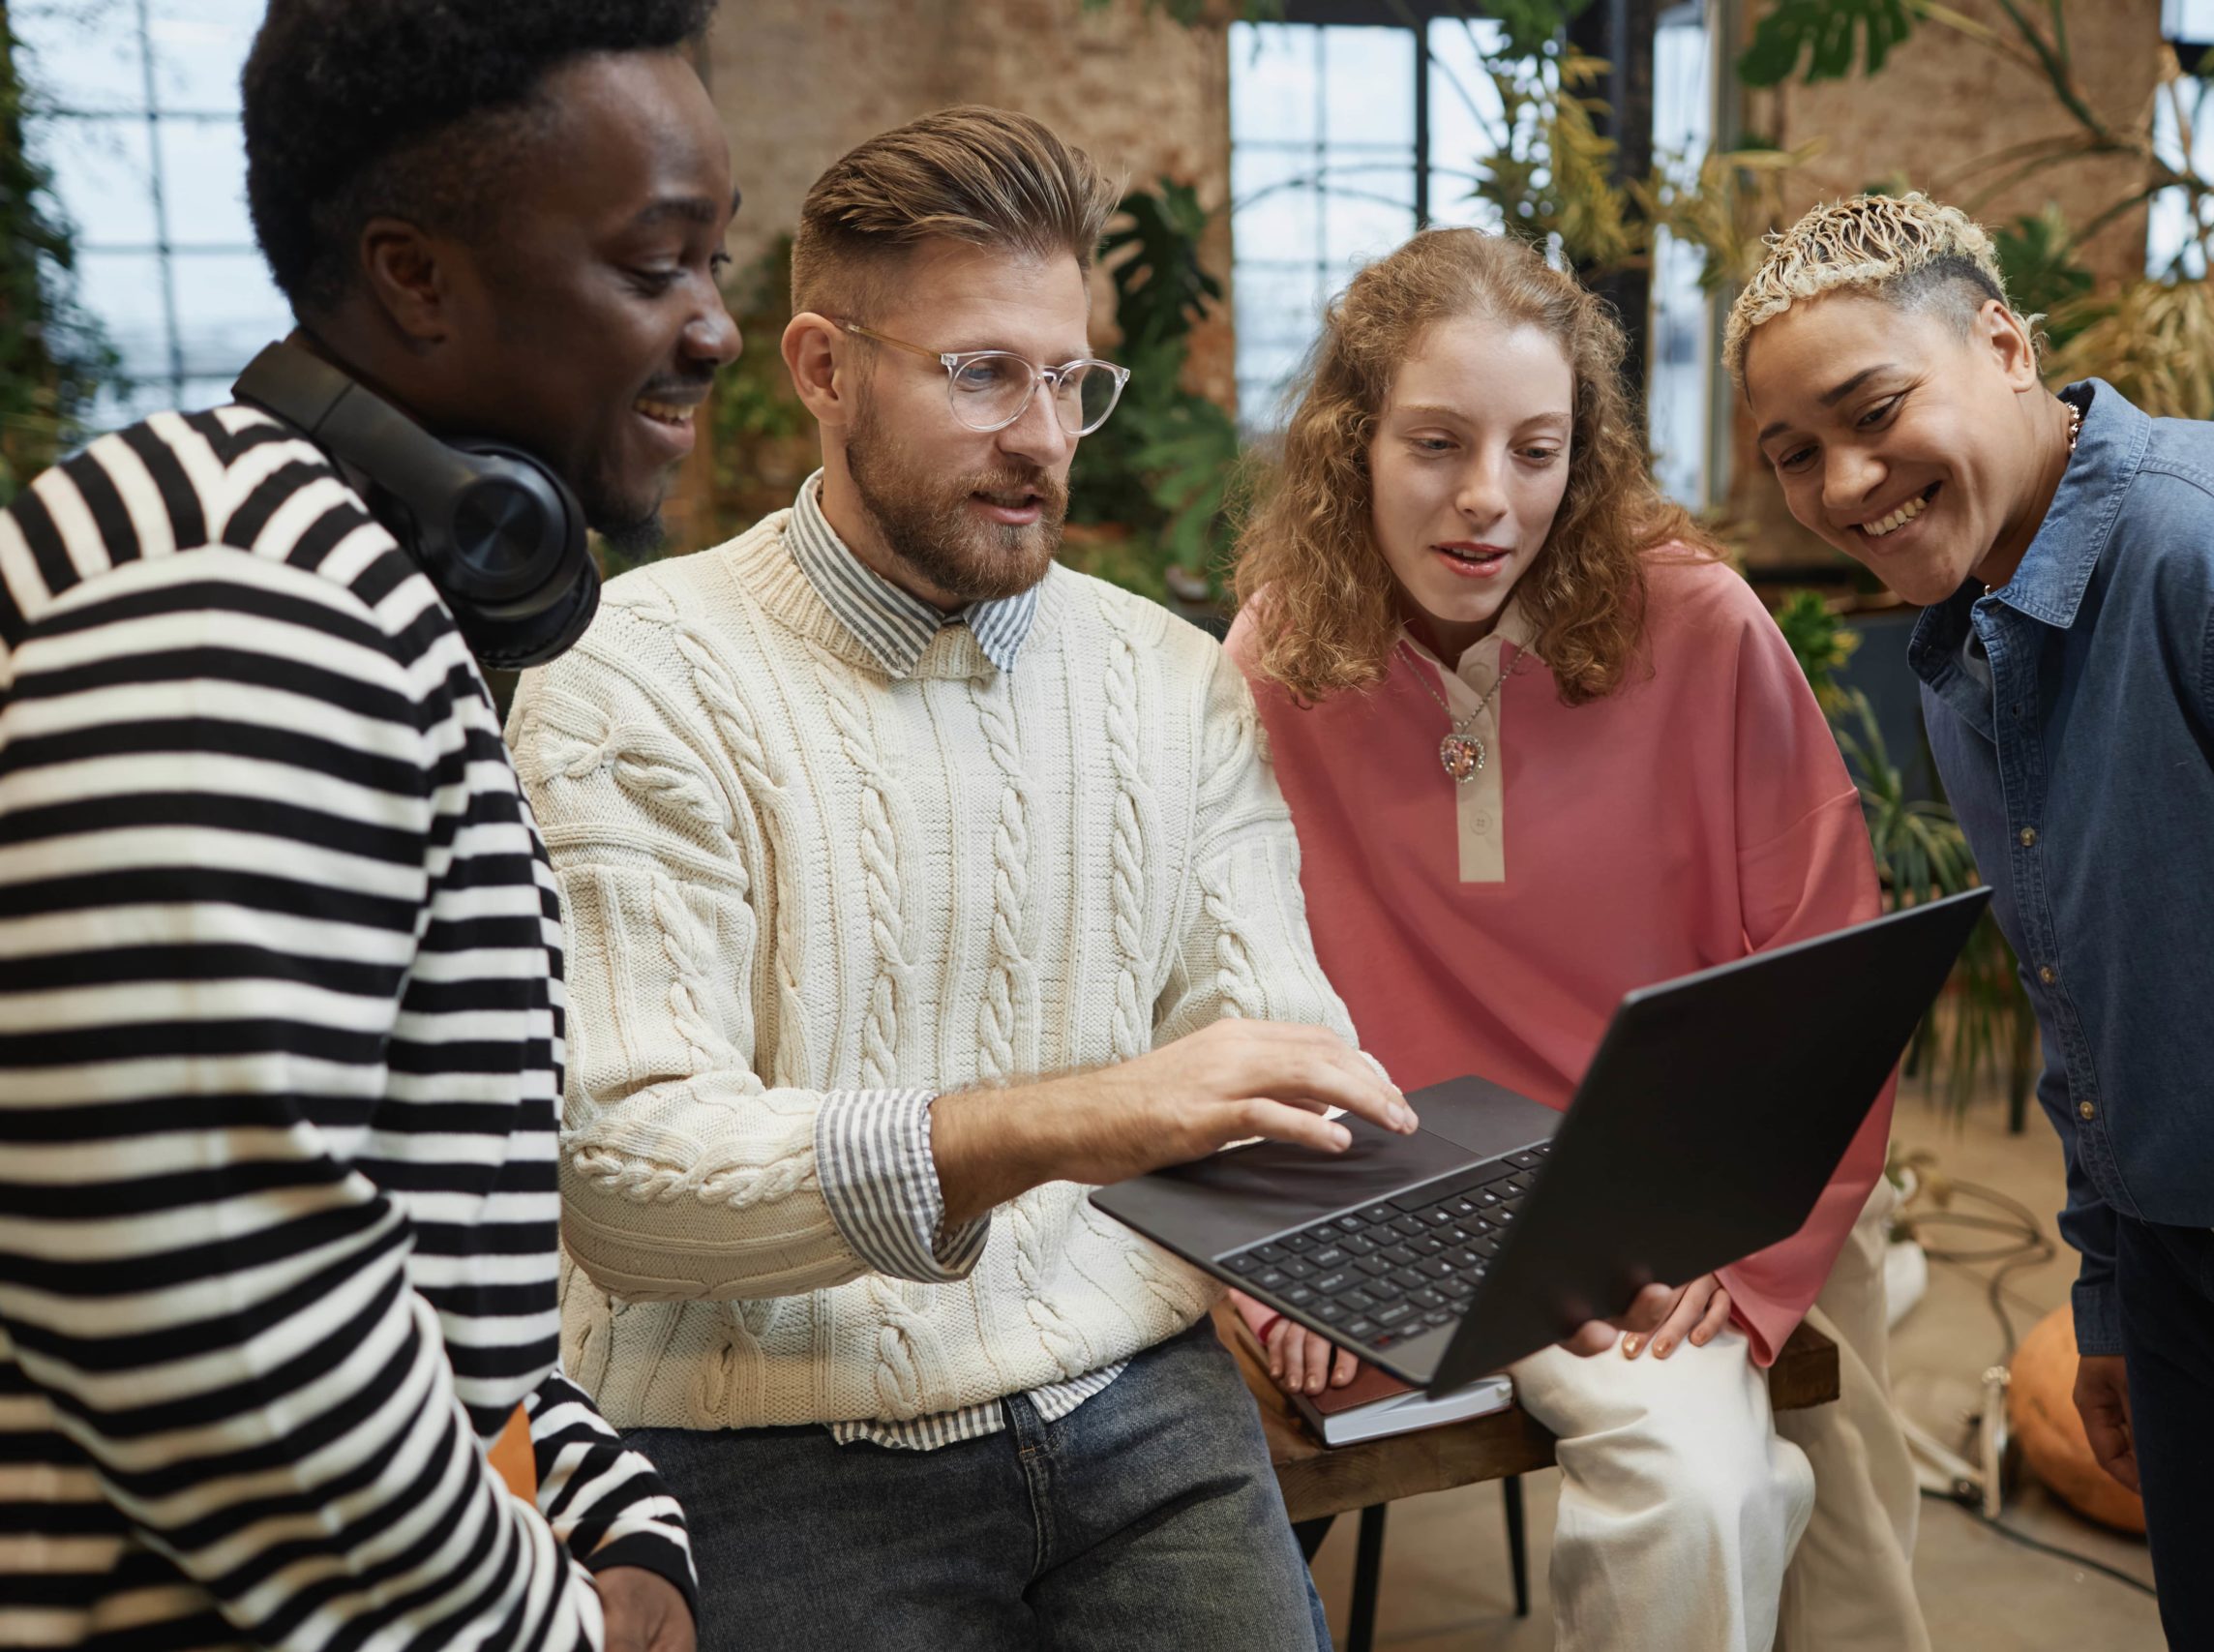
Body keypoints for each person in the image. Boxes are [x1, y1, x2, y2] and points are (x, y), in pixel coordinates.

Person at [501, 105, 1427, 1652]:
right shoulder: (630, 675)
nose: (1046, 438)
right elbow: (630, 1181)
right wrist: (1068, 1119)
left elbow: (1271, 1050)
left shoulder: (1169, 677)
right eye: (982, 375)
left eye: (1070, 380)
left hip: (1145, 1408)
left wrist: (1507, 1252)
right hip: (771, 1438)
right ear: (821, 367)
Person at [0, 3, 740, 1649]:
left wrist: (612, 1514)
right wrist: (546, 1619)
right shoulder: (241, 606)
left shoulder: (321, 573)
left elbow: (403, 1249)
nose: (714, 330)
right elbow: (195, 1283)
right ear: (417, 277)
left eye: (716, 265)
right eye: (653, 265)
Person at [1730, 190, 2214, 1649]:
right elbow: (2085, 1011)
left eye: (1874, 409)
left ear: (2004, 345)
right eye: (1794, 455)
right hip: (2195, 1284)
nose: (1846, 481)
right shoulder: (1968, 633)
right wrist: (2119, 1297)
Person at [1224, 226, 1929, 1652]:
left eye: (1537, 451)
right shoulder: (1280, 648)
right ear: (1354, 443)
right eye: (1436, 443)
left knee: (1705, 1493)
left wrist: (1740, 1253)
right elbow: (1223, 975)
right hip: (1398, 1204)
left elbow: (1830, 977)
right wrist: (1276, 1250)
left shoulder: (1703, 626)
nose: (1489, 501)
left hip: (1647, 1216)